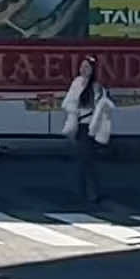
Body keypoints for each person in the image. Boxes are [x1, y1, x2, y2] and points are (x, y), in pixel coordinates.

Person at [61, 55, 113, 206]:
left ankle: (91, 193)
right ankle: (85, 192)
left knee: (87, 160)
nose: (83, 69)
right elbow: (67, 103)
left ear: (93, 70)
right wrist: (74, 110)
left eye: (87, 67)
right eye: (82, 66)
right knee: (83, 160)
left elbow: (101, 108)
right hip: (79, 126)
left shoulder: (97, 87)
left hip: (91, 127)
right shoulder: (76, 83)